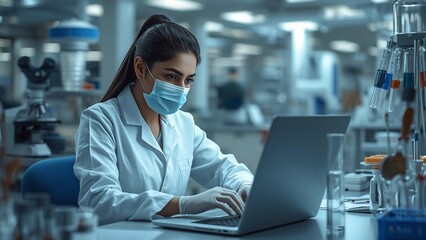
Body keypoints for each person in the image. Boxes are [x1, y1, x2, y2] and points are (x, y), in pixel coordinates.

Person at [73, 14, 253, 225]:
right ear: (140, 68)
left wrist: (245, 186)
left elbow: (224, 167)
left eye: (188, 80)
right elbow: (99, 201)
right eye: (171, 76)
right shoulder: (101, 120)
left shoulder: (183, 123)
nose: (181, 88)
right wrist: (182, 204)